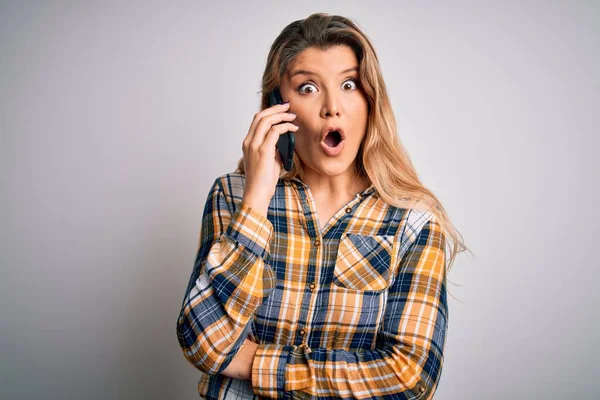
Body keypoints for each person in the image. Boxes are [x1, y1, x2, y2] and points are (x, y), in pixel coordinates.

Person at [176, 12, 468, 399]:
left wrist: (254, 363)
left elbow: (410, 378)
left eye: (348, 85)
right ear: (278, 107)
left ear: (369, 99)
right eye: (308, 88)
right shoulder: (233, 197)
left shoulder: (412, 221)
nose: (332, 107)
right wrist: (258, 197)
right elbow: (202, 342)